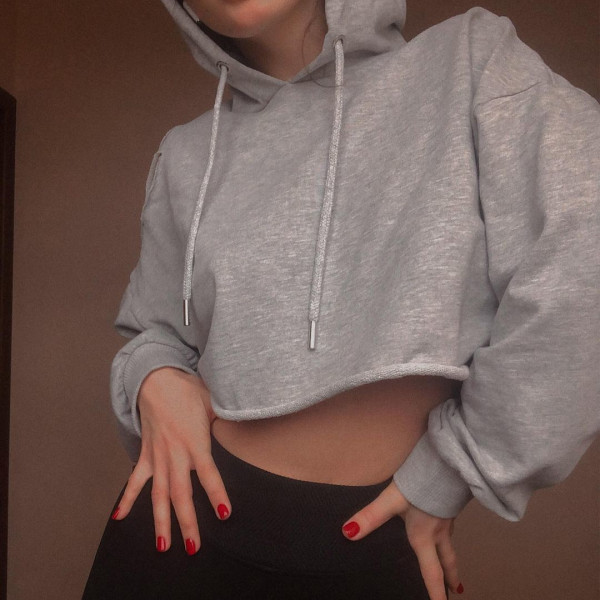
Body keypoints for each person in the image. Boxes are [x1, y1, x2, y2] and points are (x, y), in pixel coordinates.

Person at [83, 0, 600, 598]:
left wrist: (454, 470)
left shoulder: (469, 62)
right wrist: (152, 376)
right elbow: (153, 332)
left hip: (375, 541)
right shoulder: (185, 153)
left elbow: (582, 250)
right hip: (176, 527)